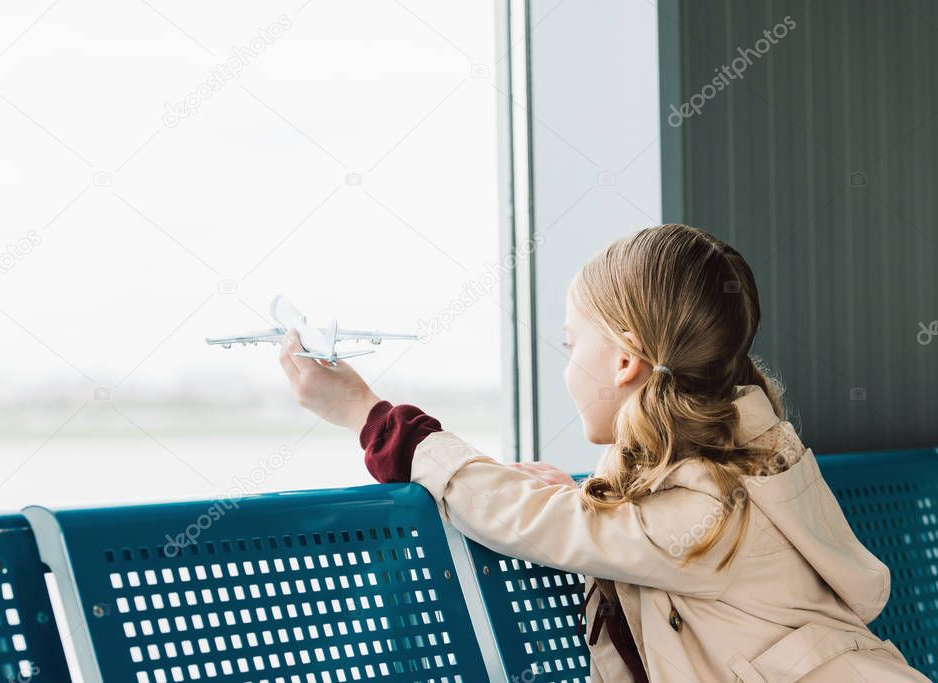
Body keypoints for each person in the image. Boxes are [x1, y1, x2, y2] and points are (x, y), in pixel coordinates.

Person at [277, 224, 929, 682]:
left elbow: (536, 522)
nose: (566, 369)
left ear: (622, 360)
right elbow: (640, 525)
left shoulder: (697, 512)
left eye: (570, 345)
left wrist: (368, 415)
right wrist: (582, 492)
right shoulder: (747, 459)